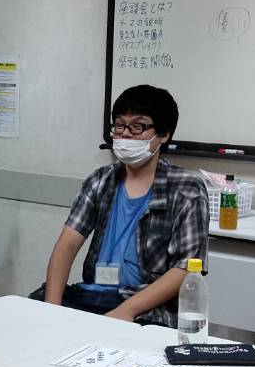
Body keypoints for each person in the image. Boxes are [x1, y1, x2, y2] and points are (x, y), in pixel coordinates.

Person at [31, 85, 209, 328]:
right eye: (119, 125)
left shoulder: (186, 189)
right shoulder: (100, 180)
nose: (125, 134)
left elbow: (186, 269)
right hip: (93, 296)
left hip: (146, 307)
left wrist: (124, 312)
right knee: (32, 310)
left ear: (164, 134)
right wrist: (51, 311)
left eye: (137, 127)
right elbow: (66, 246)